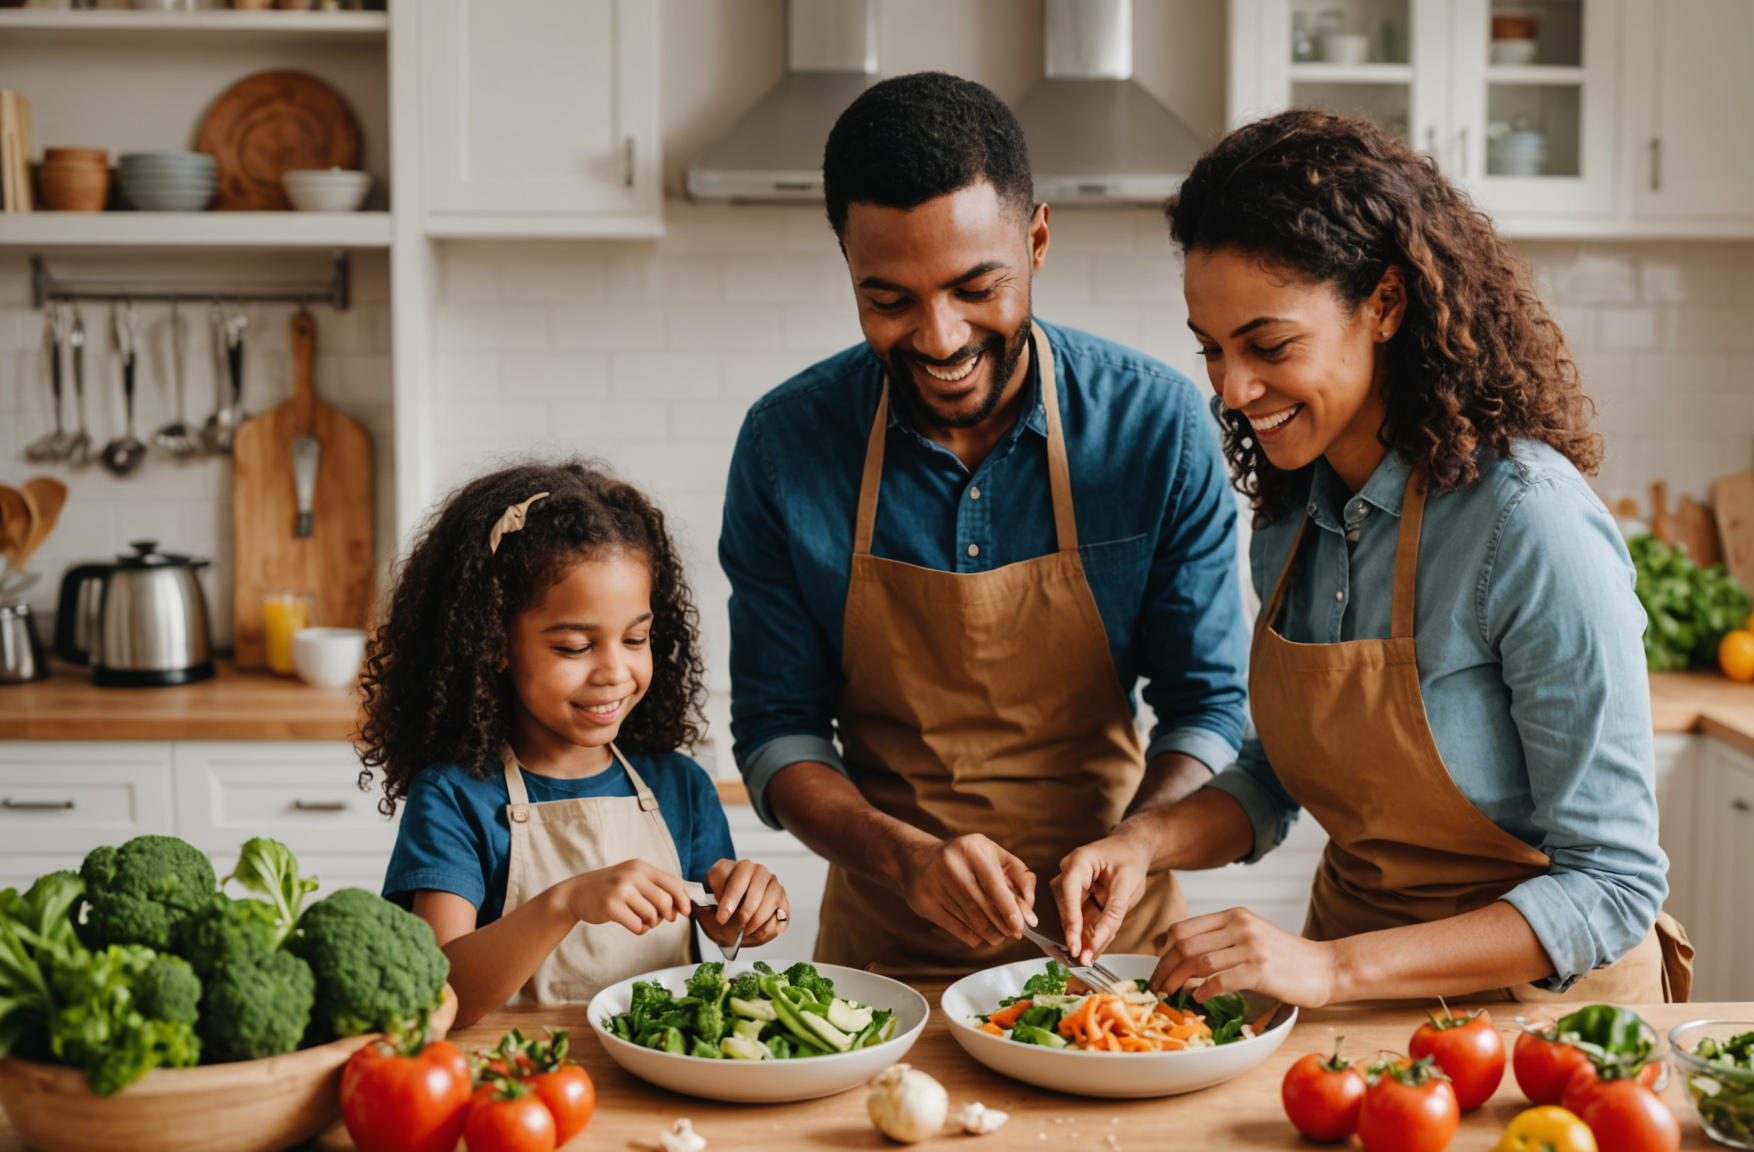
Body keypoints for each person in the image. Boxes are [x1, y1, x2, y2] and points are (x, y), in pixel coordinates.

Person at [1055, 110, 1690, 1007]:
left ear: (1386, 303)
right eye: (1213, 349)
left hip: (1545, 1025)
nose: (1233, 391)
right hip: (1350, 1005)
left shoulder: (1529, 525)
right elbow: (1277, 773)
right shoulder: (1290, 514)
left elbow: (1614, 885)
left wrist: (1333, 967)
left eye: (1269, 345)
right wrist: (1144, 841)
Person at [719, 73, 1248, 973]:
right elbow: (779, 734)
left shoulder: (1154, 429)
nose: (938, 338)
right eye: (889, 299)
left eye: (976, 287)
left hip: (1113, 957)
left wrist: (1139, 844)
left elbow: (1209, 707)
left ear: (1037, 239)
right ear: (846, 259)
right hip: (886, 965)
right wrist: (905, 858)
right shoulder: (785, 445)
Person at [361, 461, 788, 1024]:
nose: (615, 671)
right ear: (494, 645)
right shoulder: (455, 798)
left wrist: (751, 911)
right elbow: (439, 994)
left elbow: (722, 925)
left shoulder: (680, 787)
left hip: (656, 1082)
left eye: (635, 638)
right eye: (574, 647)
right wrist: (566, 903)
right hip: (519, 1083)